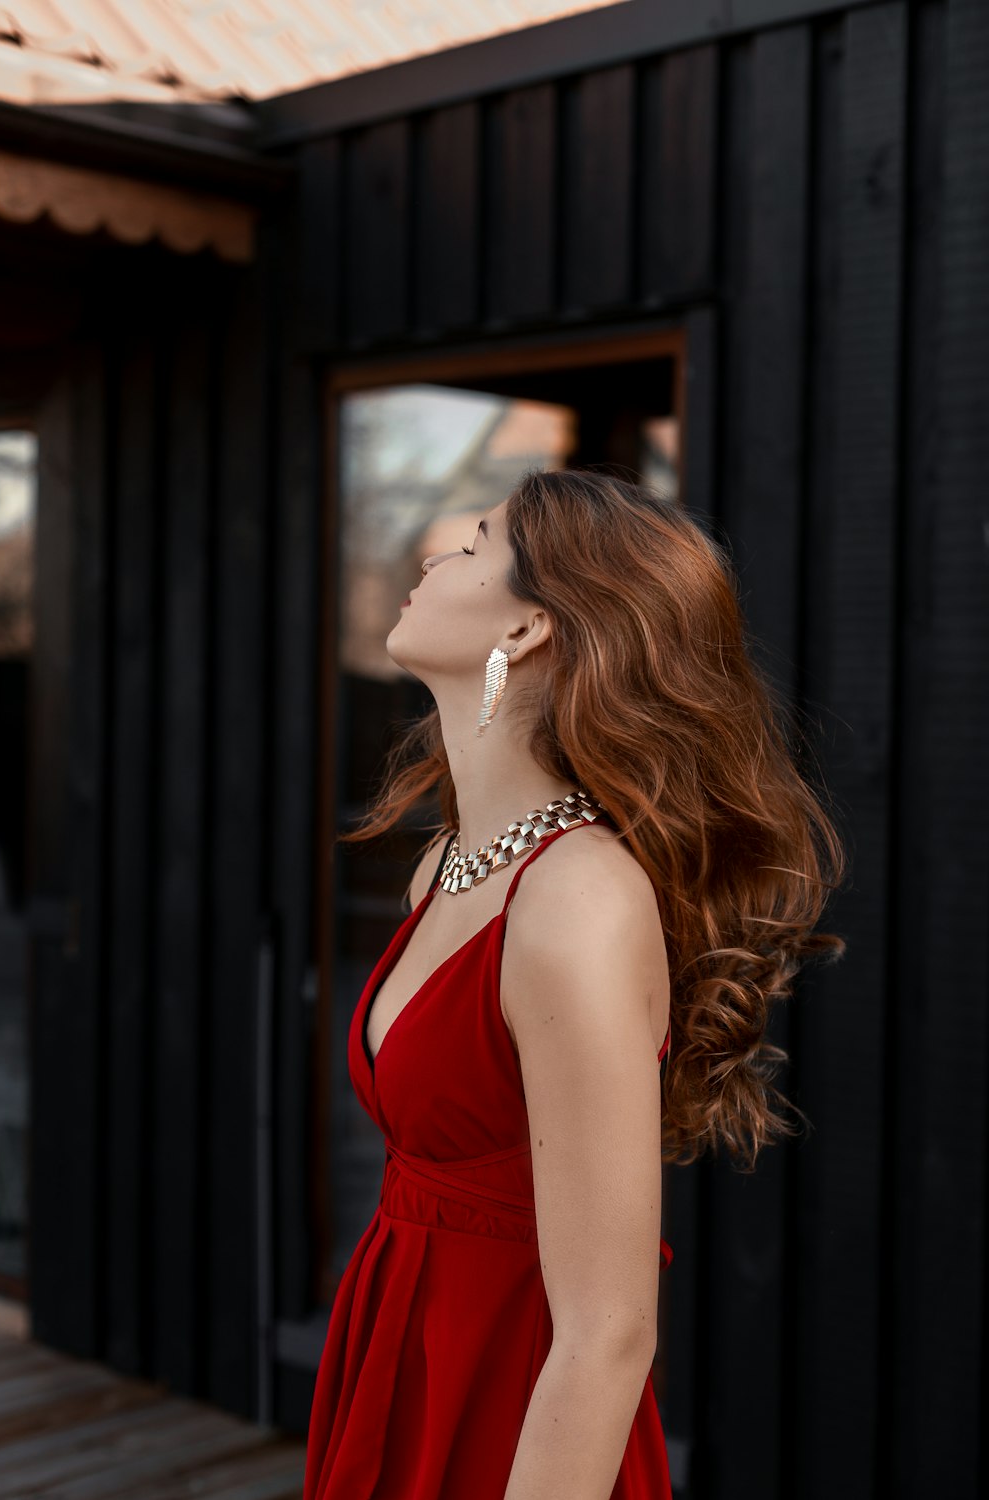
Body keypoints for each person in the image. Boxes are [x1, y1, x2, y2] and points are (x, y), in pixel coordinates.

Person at [302, 467, 846, 1500]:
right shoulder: (448, 862)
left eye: (470, 547)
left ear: (528, 631)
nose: (431, 556)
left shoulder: (578, 901)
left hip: (522, 1417)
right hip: (398, 1353)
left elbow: (607, 1332)